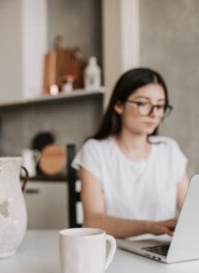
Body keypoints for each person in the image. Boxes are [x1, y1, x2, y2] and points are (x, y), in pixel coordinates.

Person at [72, 67, 189, 238]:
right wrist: (150, 226)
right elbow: (93, 220)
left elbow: (191, 211)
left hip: (161, 252)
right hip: (114, 252)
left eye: (160, 105)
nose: (154, 113)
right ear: (119, 105)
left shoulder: (169, 150)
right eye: (143, 103)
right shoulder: (95, 151)